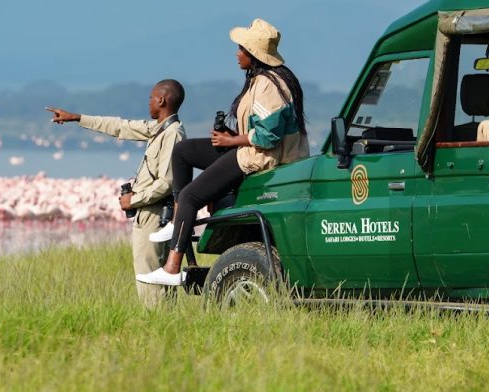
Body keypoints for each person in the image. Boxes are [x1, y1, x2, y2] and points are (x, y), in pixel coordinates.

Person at [137, 18, 309, 286]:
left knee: (191, 195)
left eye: (241, 49)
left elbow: (268, 136)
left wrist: (232, 141)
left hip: (259, 158)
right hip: (251, 150)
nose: (237, 53)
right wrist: (233, 136)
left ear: (253, 54)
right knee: (183, 151)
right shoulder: (263, 80)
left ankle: (172, 267)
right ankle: (178, 222)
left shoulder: (268, 86)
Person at [46, 79, 186, 307]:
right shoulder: (158, 129)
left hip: (155, 214)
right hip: (147, 213)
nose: (148, 102)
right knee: (149, 275)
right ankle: (161, 321)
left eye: (151, 98)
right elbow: (120, 126)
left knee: (150, 278)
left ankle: (156, 322)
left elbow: (167, 182)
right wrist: (77, 118)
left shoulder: (172, 133)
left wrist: (133, 200)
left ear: (161, 100)